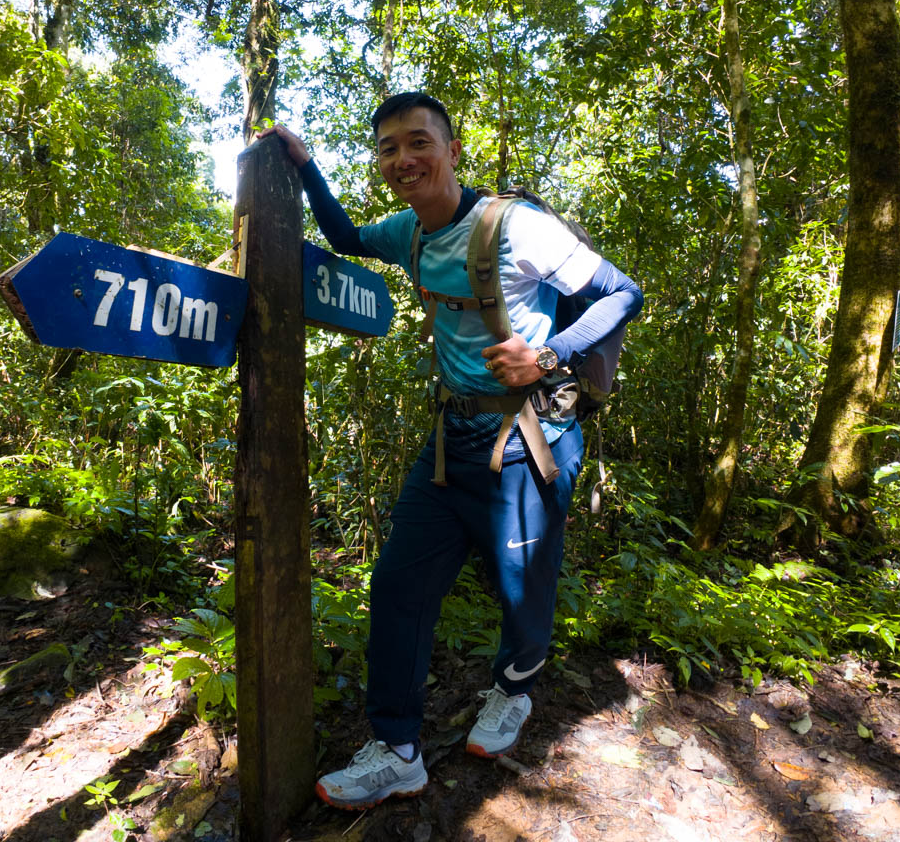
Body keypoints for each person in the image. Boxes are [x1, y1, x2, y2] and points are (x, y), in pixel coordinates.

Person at [260, 92, 643, 811]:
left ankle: (513, 691)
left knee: (522, 589)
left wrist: (549, 354)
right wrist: (308, 168)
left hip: (532, 441)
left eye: (418, 143)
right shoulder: (406, 232)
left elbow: (623, 293)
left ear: (453, 150)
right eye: (388, 150)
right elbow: (344, 237)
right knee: (398, 587)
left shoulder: (516, 227)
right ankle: (398, 749)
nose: (403, 161)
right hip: (451, 441)